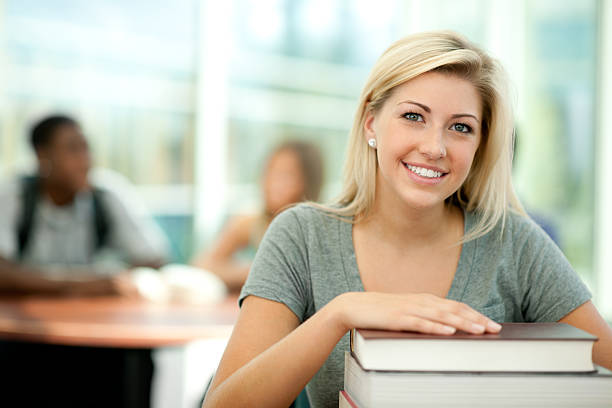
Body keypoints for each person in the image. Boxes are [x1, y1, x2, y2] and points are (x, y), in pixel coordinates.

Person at [202, 31, 612, 408]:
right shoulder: (301, 236)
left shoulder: (515, 242)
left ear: (480, 145)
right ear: (370, 124)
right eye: (414, 116)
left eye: (460, 127)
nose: (435, 147)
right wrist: (338, 314)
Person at [0, 114, 169, 296]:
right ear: (42, 155)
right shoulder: (14, 195)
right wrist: (84, 283)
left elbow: (155, 260)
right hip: (22, 317)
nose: (85, 160)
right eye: (73, 149)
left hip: (93, 317)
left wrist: (112, 276)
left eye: (86, 148)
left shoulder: (106, 196)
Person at [193, 140, 323, 292]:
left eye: (286, 175)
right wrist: (256, 271)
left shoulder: (318, 228)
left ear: (308, 182)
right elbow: (202, 265)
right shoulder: (251, 222)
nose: (272, 183)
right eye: (270, 172)